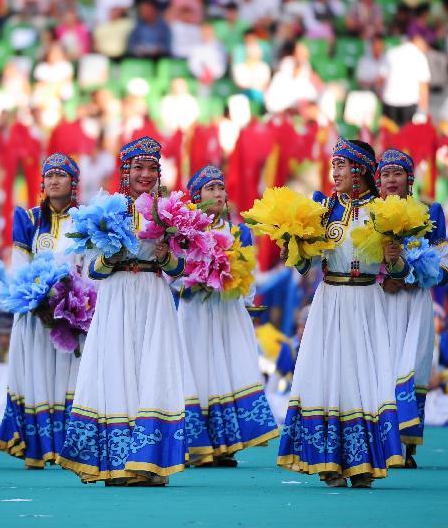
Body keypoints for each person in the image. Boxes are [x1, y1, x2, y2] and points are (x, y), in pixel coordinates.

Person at [57, 137, 188, 486]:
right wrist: (109, 258)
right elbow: (90, 272)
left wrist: (164, 257)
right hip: (115, 297)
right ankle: (117, 463)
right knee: (116, 370)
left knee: (152, 372)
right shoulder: (107, 208)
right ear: (125, 171)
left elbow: (181, 272)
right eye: (137, 168)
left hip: (153, 296)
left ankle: (148, 463)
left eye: (151, 169)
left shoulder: (169, 210)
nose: (145, 174)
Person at [277, 139, 406, 488]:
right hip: (330, 301)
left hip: (366, 301)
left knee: (363, 375)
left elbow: (397, 273)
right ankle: (328, 461)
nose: (334, 173)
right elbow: (304, 267)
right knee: (328, 373)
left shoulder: (385, 212)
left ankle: (363, 463)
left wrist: (395, 258)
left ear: (360, 170)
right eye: (333, 165)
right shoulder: (322, 208)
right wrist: (293, 243)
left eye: (341, 166)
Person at [178, 165, 279, 466]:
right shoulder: (185, 231)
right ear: (196, 196)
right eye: (210, 188)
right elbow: (174, 271)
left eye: (221, 187)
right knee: (199, 371)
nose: (219, 193)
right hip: (195, 310)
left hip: (228, 310)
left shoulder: (239, 231)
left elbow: (249, 274)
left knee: (229, 369)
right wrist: (195, 278)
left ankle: (227, 444)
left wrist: (239, 295)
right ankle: (199, 447)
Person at [0, 154, 84, 468]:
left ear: (73, 182)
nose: (54, 181)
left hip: (74, 315)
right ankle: (38, 448)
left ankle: (71, 448)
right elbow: (19, 269)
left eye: (61, 175)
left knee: (69, 379)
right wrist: (40, 302)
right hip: (36, 316)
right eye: (49, 176)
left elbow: (86, 269)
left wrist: (73, 304)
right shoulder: (29, 219)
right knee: (38, 376)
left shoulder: (85, 219)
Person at [376, 150, 448, 468]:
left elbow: (444, 267)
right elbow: (359, 260)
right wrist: (383, 279)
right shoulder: (370, 214)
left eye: (399, 173)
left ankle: (406, 446)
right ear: (378, 180)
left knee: (412, 365)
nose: (392, 180)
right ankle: (383, 444)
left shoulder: (430, 212)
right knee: (383, 367)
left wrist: (417, 274)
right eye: (387, 174)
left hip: (416, 302)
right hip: (380, 303)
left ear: (411, 179)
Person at [379, 34, 431, 126]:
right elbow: (423, 86)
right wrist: (423, 111)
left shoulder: (391, 53)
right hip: (409, 102)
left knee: (390, 134)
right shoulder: (419, 56)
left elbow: (381, 80)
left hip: (389, 101)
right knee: (406, 136)